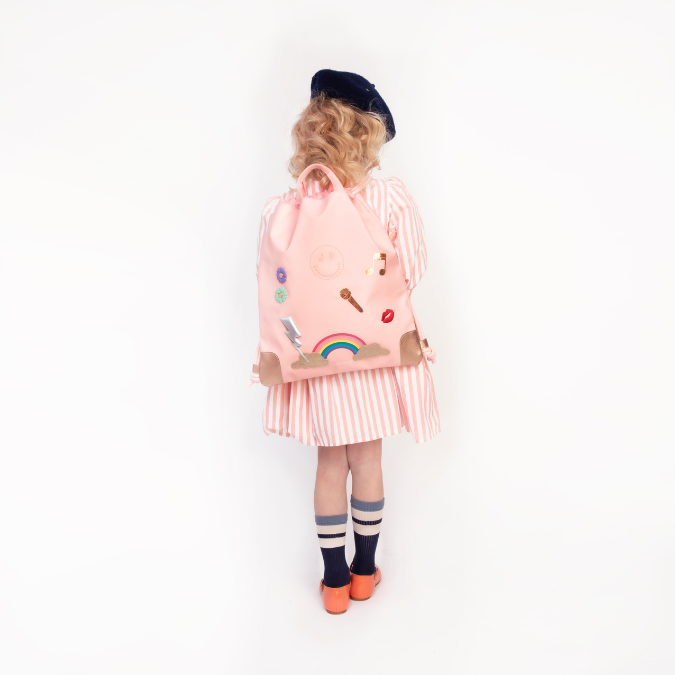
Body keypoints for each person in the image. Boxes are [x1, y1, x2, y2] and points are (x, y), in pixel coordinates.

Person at [248, 69, 440, 614]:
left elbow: (271, 285)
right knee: (369, 460)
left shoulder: (280, 211)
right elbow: (412, 270)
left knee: (330, 464)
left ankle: (333, 582)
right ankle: (363, 572)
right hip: (373, 357)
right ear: (366, 132)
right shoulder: (389, 199)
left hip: (315, 362)